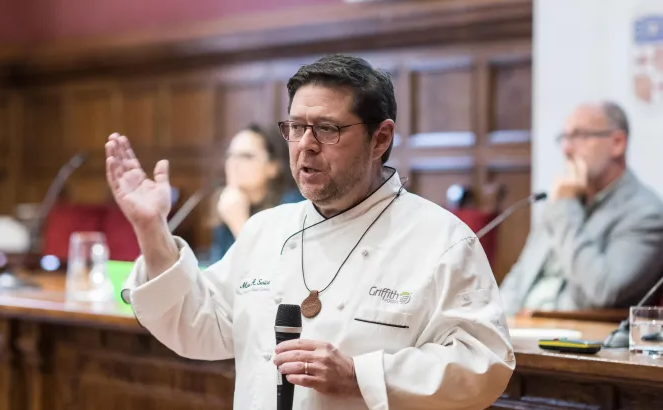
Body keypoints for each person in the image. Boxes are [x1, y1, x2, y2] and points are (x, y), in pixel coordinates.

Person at [106, 54, 514, 410]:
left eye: (328, 129)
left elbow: (483, 365)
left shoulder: (441, 240)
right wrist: (151, 228)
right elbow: (198, 325)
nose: (306, 145)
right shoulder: (267, 229)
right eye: (296, 127)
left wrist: (360, 375)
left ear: (380, 138)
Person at [500, 101, 663, 316]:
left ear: (617, 143)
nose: (567, 149)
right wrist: (495, 324)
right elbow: (519, 278)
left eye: (580, 136)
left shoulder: (646, 213)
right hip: (522, 329)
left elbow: (604, 290)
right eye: (564, 138)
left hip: (577, 337)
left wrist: (566, 209)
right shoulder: (562, 200)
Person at [208, 124, 304, 262]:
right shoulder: (229, 202)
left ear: (273, 167)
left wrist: (239, 223)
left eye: (246, 156)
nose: (233, 163)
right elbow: (219, 272)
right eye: (230, 155)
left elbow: (276, 273)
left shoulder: (294, 207)